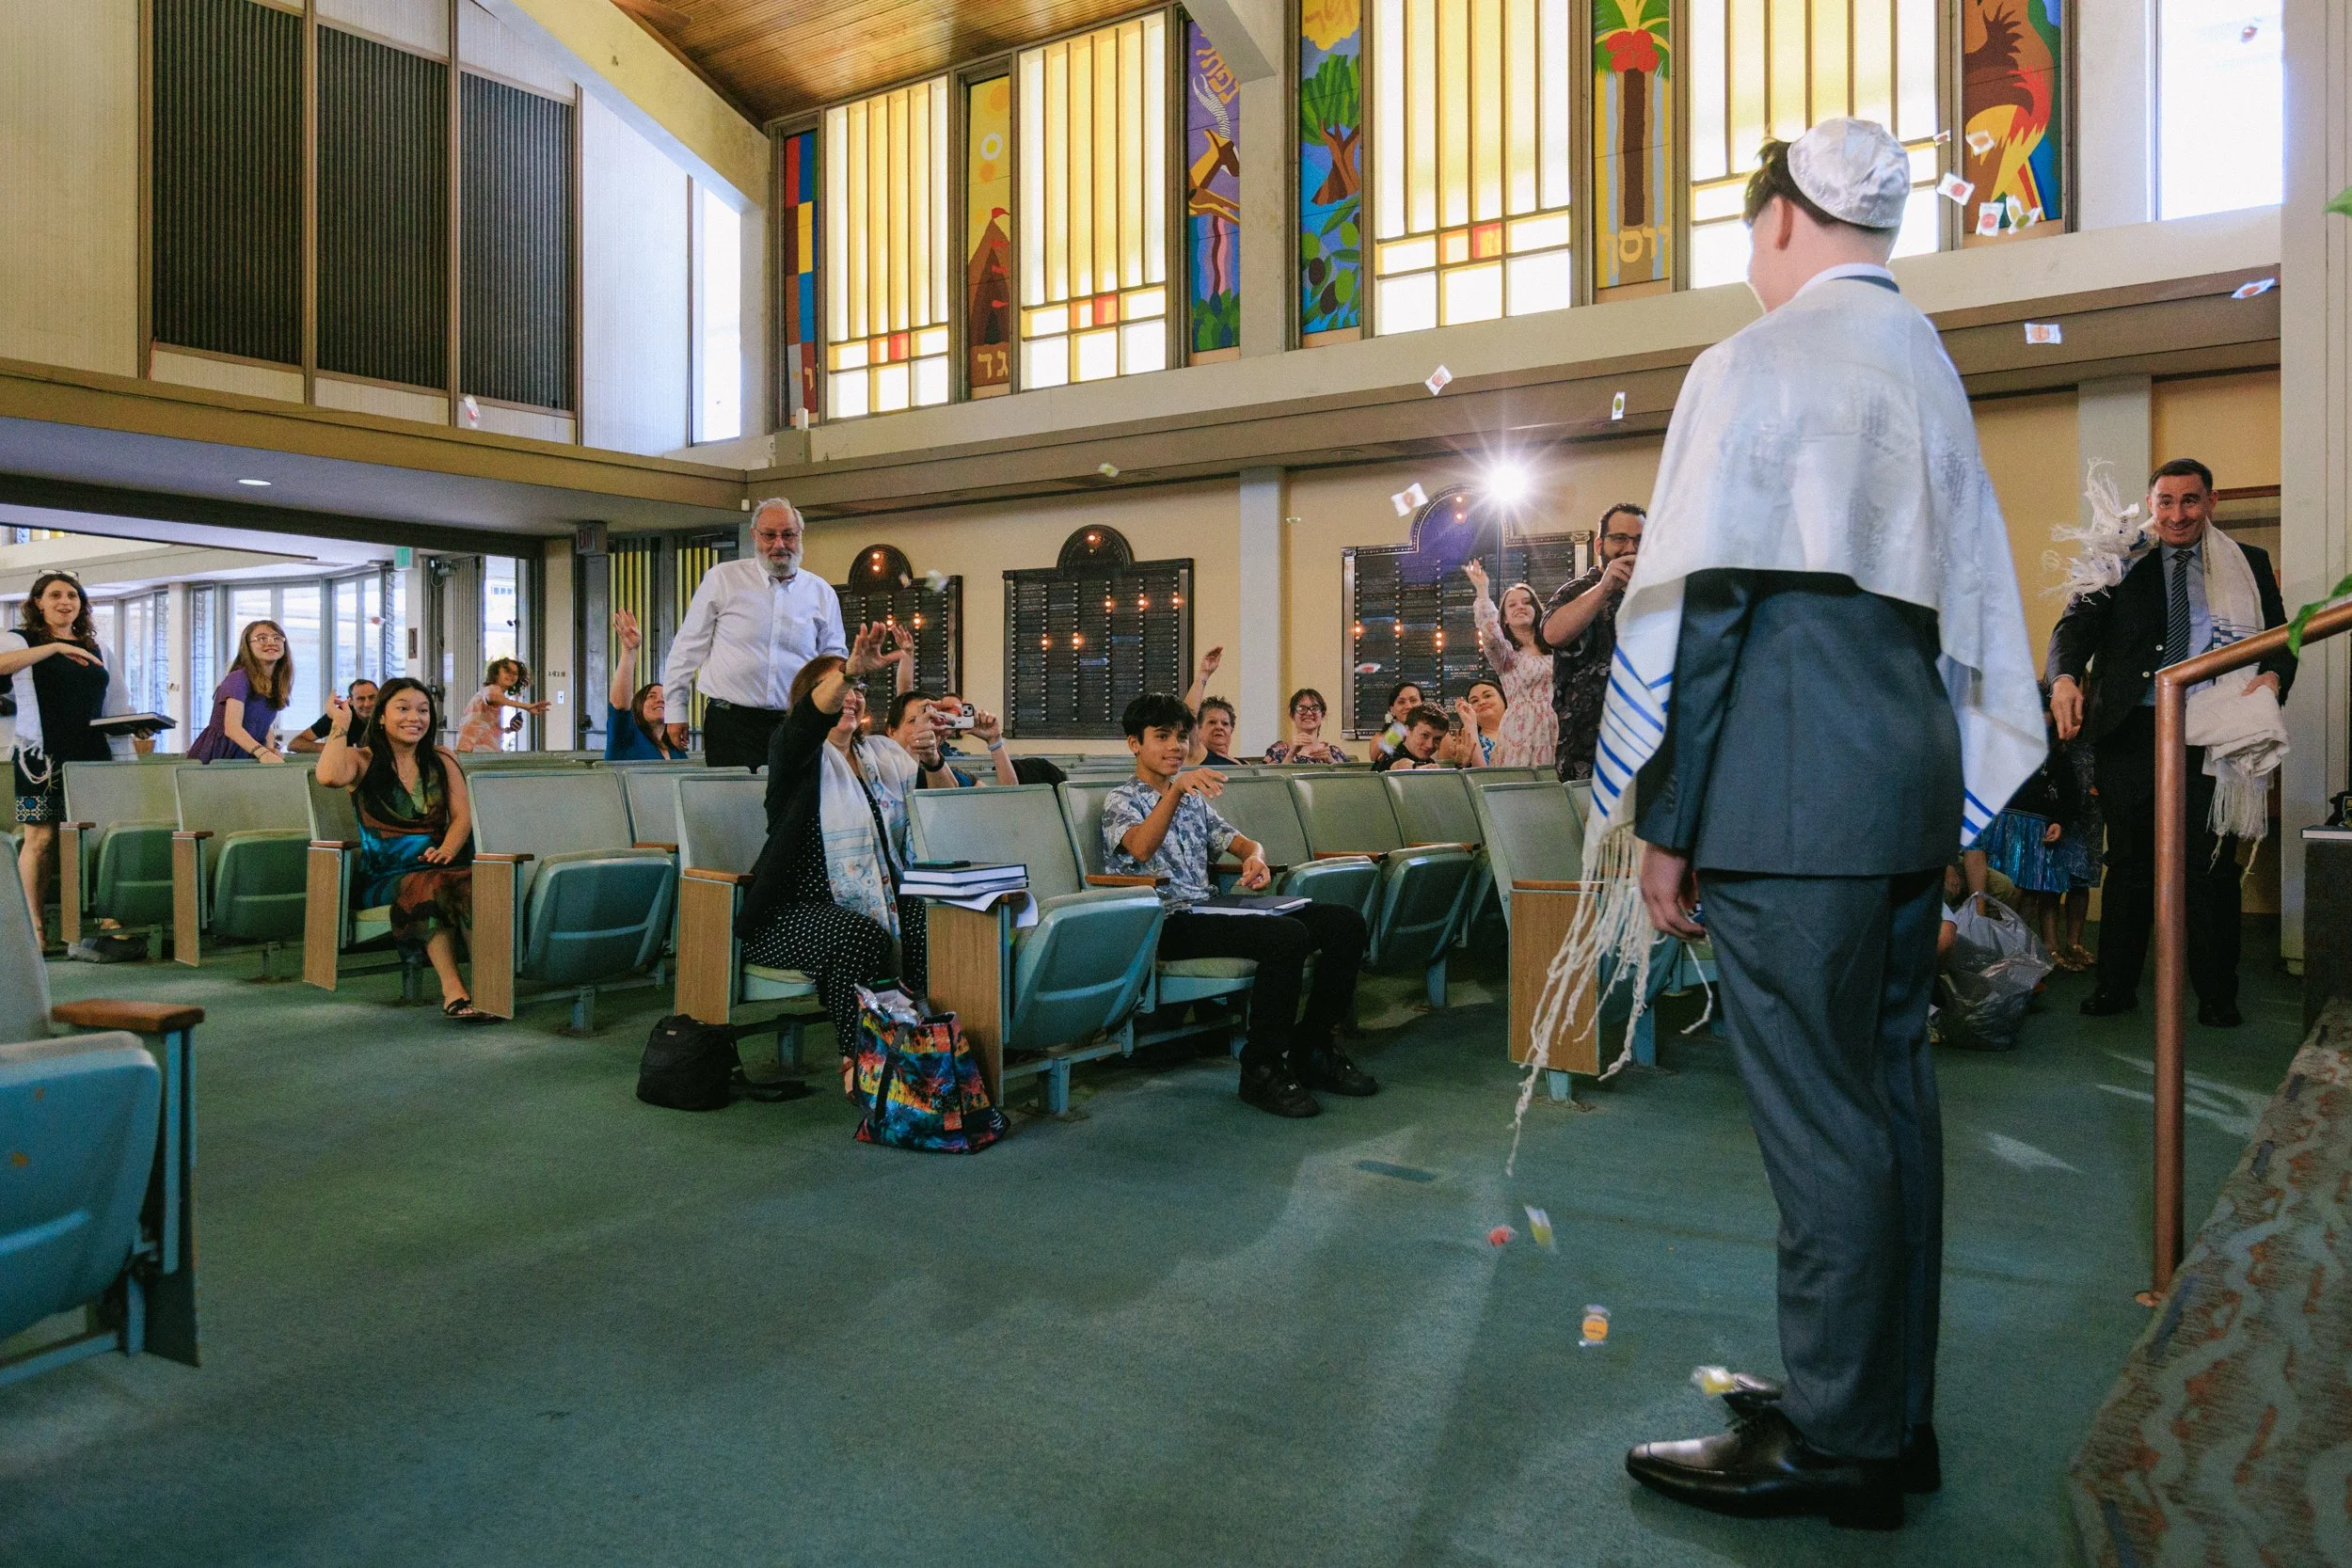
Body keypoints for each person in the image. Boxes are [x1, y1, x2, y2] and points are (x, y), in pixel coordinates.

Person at [1579, 121, 2044, 1529]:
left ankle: (1837, 1443)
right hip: (1900, 789)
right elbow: (1961, 604)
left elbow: (1708, 612)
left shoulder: (1756, 362)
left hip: (1788, 802)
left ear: (1781, 216)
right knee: (1893, 1101)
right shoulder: (1926, 364)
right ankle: (1888, 1411)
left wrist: (1669, 821)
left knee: (1820, 1124)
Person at [2050, 458, 2295, 1026]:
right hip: (2131, 733)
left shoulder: (2249, 563)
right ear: (2151, 502)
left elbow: (2283, 638)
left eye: (2189, 500)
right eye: (2165, 501)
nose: (2177, 513)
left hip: (2214, 732)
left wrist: (2275, 676)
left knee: (2210, 866)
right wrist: (2063, 677)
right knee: (2130, 862)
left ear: (2212, 501)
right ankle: (2115, 988)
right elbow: (2073, 628)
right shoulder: (2120, 557)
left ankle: (2216, 995)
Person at [1101, 691, 1374, 1117]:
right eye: (1161, 737)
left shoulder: (1192, 797)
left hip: (1209, 908)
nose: (1176, 746)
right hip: (1162, 921)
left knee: (1345, 922)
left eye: (1180, 736)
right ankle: (1261, 1066)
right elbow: (1139, 848)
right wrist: (1174, 793)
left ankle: (1313, 1046)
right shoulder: (1121, 800)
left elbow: (1245, 842)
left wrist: (1255, 859)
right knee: (1285, 937)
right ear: (1135, 743)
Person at [737, 626, 925, 1079]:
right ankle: (862, 1061)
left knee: (931, 913)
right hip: (788, 914)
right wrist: (849, 670)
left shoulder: (879, 759)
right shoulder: (795, 756)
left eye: (858, 688)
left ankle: (923, 1030)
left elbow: (934, 791)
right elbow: (803, 725)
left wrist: (935, 757)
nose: (851, 695)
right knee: (858, 936)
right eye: (839, 687)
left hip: (866, 904)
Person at [315, 678, 491, 1022]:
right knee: (431, 884)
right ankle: (453, 988)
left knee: (473, 881)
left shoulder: (442, 757)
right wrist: (340, 725)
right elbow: (328, 776)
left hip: (442, 861)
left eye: (423, 711)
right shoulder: (361, 759)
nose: (415, 718)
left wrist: (448, 848)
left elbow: (462, 817)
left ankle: (489, 987)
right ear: (380, 716)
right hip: (385, 874)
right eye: (403, 709)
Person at [662, 498, 849, 768]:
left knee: (794, 806)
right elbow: (687, 648)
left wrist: (833, 713)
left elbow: (833, 662)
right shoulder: (723, 579)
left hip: (796, 721)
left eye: (788, 535)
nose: (779, 544)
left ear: (800, 535)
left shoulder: (821, 593)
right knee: (732, 805)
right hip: (730, 723)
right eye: (769, 535)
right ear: (754, 535)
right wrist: (675, 710)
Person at [2, 571, 131, 930]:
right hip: (39, 755)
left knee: (91, 835)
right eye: (55, 595)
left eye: (72, 595)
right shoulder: (19, 640)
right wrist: (57, 647)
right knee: (41, 839)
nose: (65, 602)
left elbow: (116, 703)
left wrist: (134, 724)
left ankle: (100, 914)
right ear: (38, 603)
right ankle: (35, 925)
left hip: (92, 753)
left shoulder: (99, 648)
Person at [1541, 503, 1646, 780]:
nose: (1630, 549)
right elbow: (1552, 633)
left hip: (1643, 746)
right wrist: (1604, 588)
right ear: (1600, 543)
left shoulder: (1655, 596)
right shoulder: (1578, 591)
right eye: (1620, 538)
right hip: (1587, 753)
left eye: (1639, 540)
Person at [1465, 560, 1556, 766]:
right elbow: (1490, 634)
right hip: (1521, 732)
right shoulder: (1506, 655)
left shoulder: (1555, 648)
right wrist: (1482, 590)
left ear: (1536, 609)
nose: (1520, 607)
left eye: (1526, 602)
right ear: (1504, 618)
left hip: (1557, 727)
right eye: (1512, 605)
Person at [188, 619, 293, 763]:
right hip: (221, 756)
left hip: (248, 753)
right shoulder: (238, 678)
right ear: (247, 647)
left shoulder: (275, 682)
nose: (271, 642)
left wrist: (271, 748)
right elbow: (232, 727)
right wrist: (263, 754)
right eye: (262, 638)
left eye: (277, 638)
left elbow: (263, 723)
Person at [885, 690, 1016, 787]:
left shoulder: (955, 774)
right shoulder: (881, 774)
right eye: (914, 721)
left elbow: (1005, 801)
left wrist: (995, 741)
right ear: (891, 731)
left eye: (930, 719)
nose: (923, 727)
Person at [605, 611, 686, 761]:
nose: (660, 700)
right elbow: (620, 705)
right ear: (638, 705)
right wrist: (629, 651)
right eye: (651, 696)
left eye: (664, 697)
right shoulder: (626, 738)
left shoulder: (676, 749)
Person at [455, 657, 548, 752]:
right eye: (507, 671)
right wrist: (526, 706)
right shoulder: (492, 689)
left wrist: (509, 729)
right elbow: (492, 698)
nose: (511, 676)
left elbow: (487, 728)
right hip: (473, 750)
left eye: (515, 673)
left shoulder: (497, 694)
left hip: (478, 750)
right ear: (496, 673)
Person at [1262, 688, 1351, 764]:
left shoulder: (1334, 752)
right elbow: (1273, 783)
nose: (1308, 713)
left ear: (1322, 715)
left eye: (1315, 708)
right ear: (1292, 715)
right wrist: (1291, 754)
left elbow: (1351, 782)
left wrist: (1332, 762)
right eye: (1301, 708)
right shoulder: (1278, 750)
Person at [289, 679, 378, 753]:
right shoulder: (339, 715)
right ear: (350, 701)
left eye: (372, 697)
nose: (367, 704)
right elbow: (294, 744)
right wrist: (334, 748)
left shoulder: (388, 712)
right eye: (360, 699)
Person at [1440, 683, 1504, 767]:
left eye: (1487, 696)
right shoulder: (1466, 745)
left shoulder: (1524, 732)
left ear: (1504, 699)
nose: (1482, 702)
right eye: (1475, 701)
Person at [1372, 704, 1450, 771]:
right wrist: (1416, 769)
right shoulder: (1389, 758)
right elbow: (1401, 765)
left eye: (1437, 739)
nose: (1430, 745)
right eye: (1425, 735)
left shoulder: (1430, 763)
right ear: (1407, 730)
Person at [1370, 681, 1425, 763]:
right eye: (1401, 702)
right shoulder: (1381, 737)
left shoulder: (1435, 731)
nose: (1408, 706)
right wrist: (1399, 731)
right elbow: (1375, 758)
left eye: (1413, 700)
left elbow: (1446, 762)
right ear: (1392, 709)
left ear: (1423, 705)